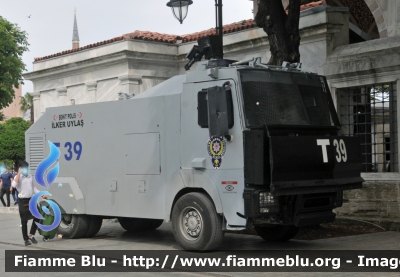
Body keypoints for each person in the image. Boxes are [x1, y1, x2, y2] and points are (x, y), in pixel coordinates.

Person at [12, 161, 47, 246]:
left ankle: (31, 235)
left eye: (27, 168)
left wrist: (41, 194)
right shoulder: (18, 177)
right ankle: (26, 239)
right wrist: (19, 173)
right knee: (24, 221)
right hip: (23, 201)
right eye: (24, 168)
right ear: (20, 168)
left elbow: (33, 188)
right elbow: (13, 185)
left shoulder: (30, 176)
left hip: (31, 200)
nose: (26, 169)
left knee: (38, 216)